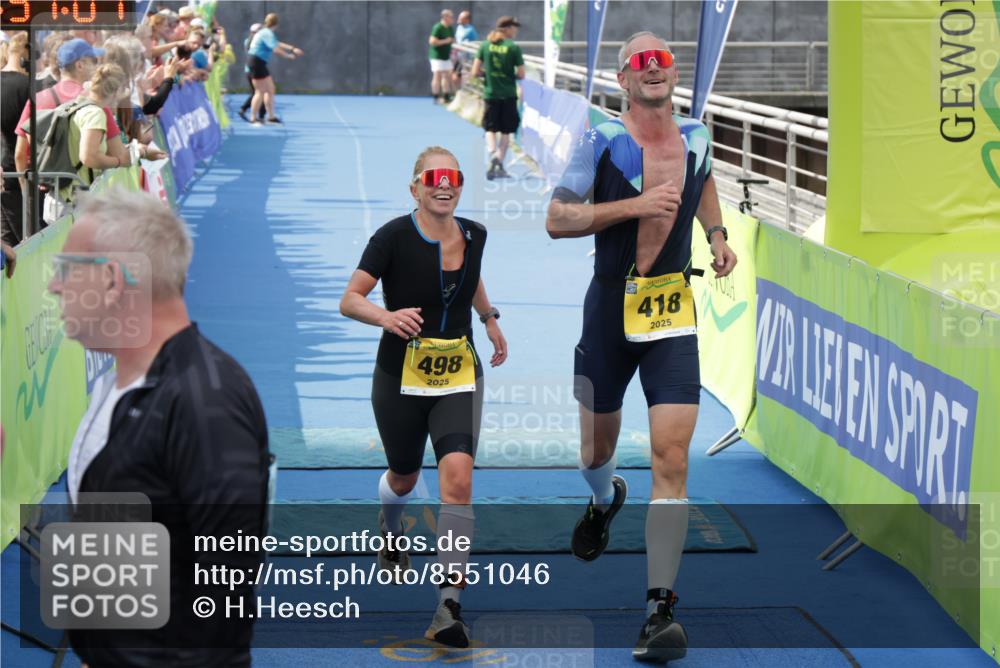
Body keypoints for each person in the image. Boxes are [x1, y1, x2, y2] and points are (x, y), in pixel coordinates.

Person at [545, 32, 738, 663]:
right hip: (609, 310)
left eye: (662, 62)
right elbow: (558, 218)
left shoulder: (699, 134)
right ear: (623, 79)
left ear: (673, 75)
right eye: (640, 64)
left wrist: (716, 234)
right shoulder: (602, 140)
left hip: (672, 313)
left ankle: (659, 611)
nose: (653, 70)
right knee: (596, 449)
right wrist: (634, 205)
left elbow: (702, 179)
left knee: (672, 459)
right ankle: (603, 500)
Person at [49, 189, 270, 667]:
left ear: (111, 281)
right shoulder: (118, 382)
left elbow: (226, 587)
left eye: (65, 269)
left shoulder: (205, 401)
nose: (53, 287)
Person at [340, 146, 508, 648]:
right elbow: (350, 298)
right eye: (433, 177)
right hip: (399, 376)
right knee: (404, 474)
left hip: (458, 373)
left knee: (458, 476)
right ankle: (391, 529)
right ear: (415, 187)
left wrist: (489, 317)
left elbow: (470, 275)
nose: (444, 184)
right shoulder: (391, 236)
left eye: (453, 176)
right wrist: (386, 317)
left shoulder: (475, 233)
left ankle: (448, 606)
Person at [470, 16, 524, 180]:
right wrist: (509, 76)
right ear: (507, 29)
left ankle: (493, 155)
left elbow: (475, 72)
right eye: (514, 27)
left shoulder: (485, 46)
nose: (516, 30)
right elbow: (521, 74)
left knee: (490, 129)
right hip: (508, 94)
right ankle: (499, 160)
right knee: (506, 132)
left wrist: (488, 75)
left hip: (491, 93)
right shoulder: (513, 48)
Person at [247, 13, 304, 125]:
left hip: (259, 62)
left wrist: (292, 49)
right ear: (276, 24)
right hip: (256, 62)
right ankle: (253, 118)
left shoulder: (265, 32)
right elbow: (276, 49)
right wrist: (288, 56)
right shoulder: (266, 33)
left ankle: (271, 117)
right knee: (260, 91)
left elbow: (276, 43)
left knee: (270, 89)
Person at [1, 32, 30, 244]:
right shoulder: (28, 86)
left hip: (5, 174)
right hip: (20, 175)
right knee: (27, 242)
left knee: (8, 242)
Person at [238, 22, 266, 122]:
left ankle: (247, 110)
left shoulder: (248, 41)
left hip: (249, 69)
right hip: (255, 69)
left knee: (257, 92)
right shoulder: (257, 42)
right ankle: (257, 114)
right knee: (261, 92)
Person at [428, 9, 456, 104]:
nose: (452, 19)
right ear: (445, 17)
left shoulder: (450, 28)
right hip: (436, 56)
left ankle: (446, 96)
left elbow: (452, 40)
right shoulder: (438, 27)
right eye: (451, 17)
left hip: (446, 56)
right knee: (437, 75)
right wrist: (445, 41)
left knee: (447, 75)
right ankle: (436, 97)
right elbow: (432, 41)